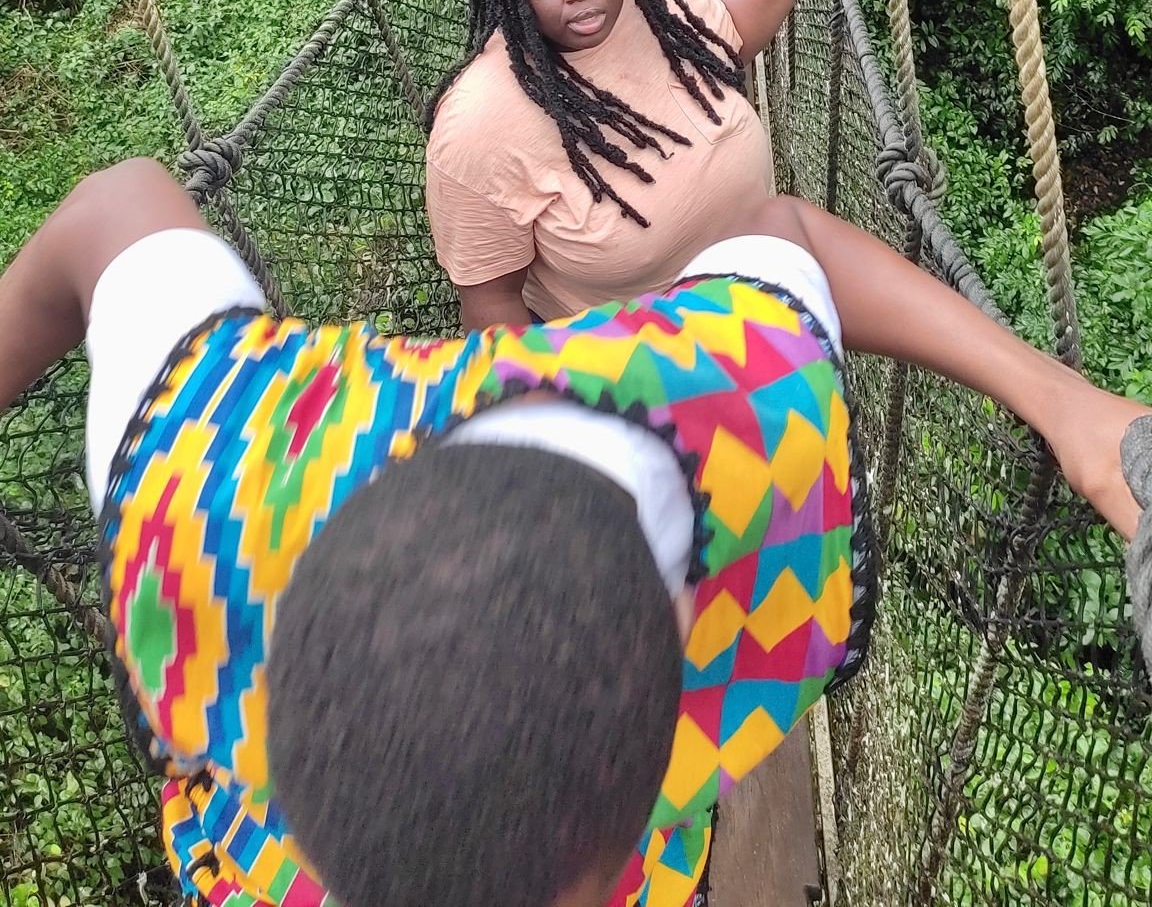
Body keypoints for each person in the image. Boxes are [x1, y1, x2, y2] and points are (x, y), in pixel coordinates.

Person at [1, 161, 1146, 907]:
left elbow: (114, 208)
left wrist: (1072, 411)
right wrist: (1064, 404)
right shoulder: (738, 407)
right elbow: (782, 242)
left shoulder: (205, 449)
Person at [426, 0, 827, 326]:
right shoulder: (477, 128)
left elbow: (726, 32)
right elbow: (494, 306)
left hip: (764, 290)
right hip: (634, 366)